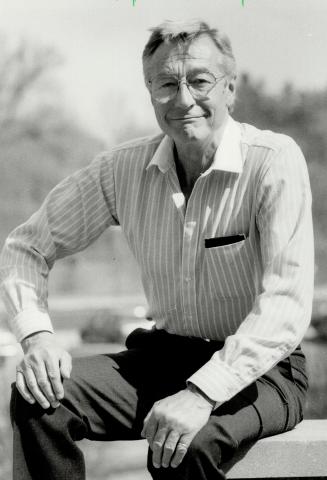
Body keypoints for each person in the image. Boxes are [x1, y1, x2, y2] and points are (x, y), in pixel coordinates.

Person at [0, 19, 314, 480]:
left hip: (262, 370)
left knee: (190, 442)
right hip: (165, 357)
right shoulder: (120, 170)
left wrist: (202, 394)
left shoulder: (273, 161)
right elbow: (25, 246)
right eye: (166, 83)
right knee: (39, 396)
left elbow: (285, 305)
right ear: (150, 92)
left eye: (199, 81)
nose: (183, 99)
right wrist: (38, 338)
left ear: (230, 88)